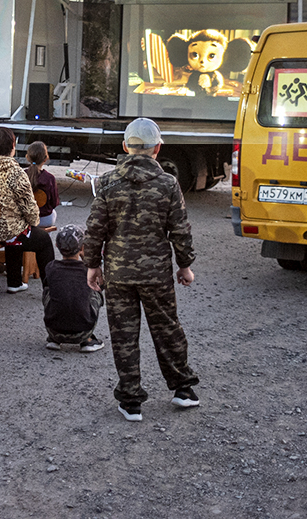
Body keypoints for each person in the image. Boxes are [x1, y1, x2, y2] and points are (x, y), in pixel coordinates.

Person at [83, 117, 198, 422]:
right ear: (158, 148)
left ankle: (131, 400)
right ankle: (183, 389)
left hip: (118, 273)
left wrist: (92, 265)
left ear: (125, 147)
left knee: (123, 336)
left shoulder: (108, 183)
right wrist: (184, 265)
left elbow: (95, 230)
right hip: (157, 273)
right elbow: (180, 229)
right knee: (167, 329)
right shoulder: (168, 184)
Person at [0, 126, 55, 294]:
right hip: (6, 231)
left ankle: (15, 282)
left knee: (16, 228)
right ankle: (50, 289)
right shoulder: (16, 172)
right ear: (12, 146)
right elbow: (29, 207)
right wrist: (33, 222)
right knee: (39, 239)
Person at [43, 225, 104, 353]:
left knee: (49, 290)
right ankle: (87, 340)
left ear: (57, 246)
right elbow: (100, 286)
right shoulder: (87, 270)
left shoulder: (51, 267)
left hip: (54, 330)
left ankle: (54, 340)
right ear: (82, 248)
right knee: (95, 292)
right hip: (83, 331)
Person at [24, 141, 59, 228]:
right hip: (45, 219)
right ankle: (46, 238)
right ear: (45, 159)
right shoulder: (50, 178)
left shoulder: (22, 175)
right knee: (53, 213)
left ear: (27, 157)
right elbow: (54, 203)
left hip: (26, 219)